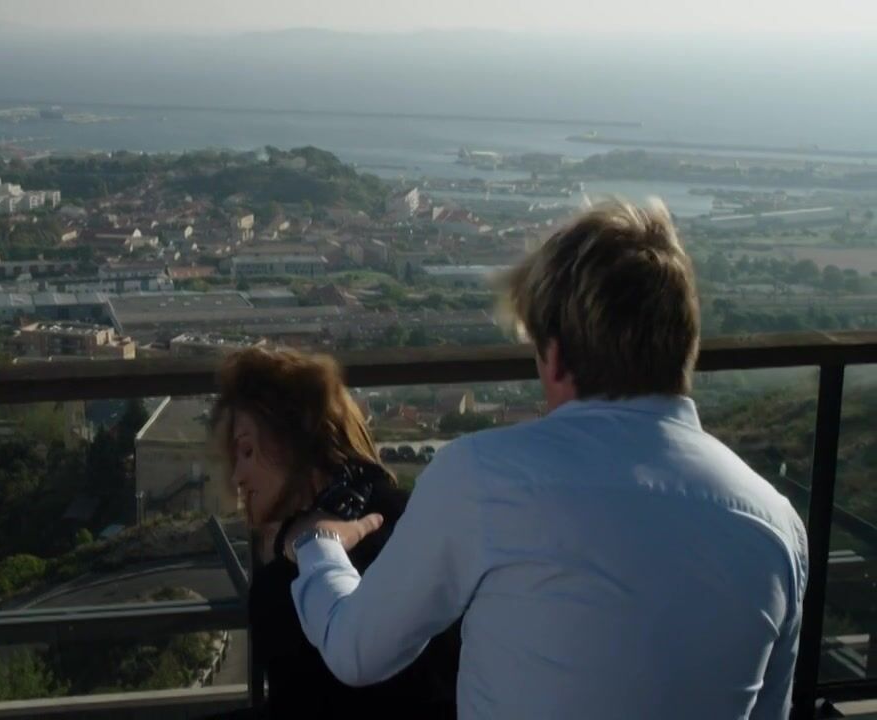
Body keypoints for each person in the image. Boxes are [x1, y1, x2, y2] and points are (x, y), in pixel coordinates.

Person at [284, 199, 809, 719]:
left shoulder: (482, 478)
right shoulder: (778, 526)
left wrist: (317, 545)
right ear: (683, 347)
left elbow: (357, 650)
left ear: (554, 356)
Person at [211, 347, 459, 718]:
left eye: (247, 451)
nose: (237, 477)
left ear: (296, 442)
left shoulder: (281, 589)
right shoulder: (414, 514)